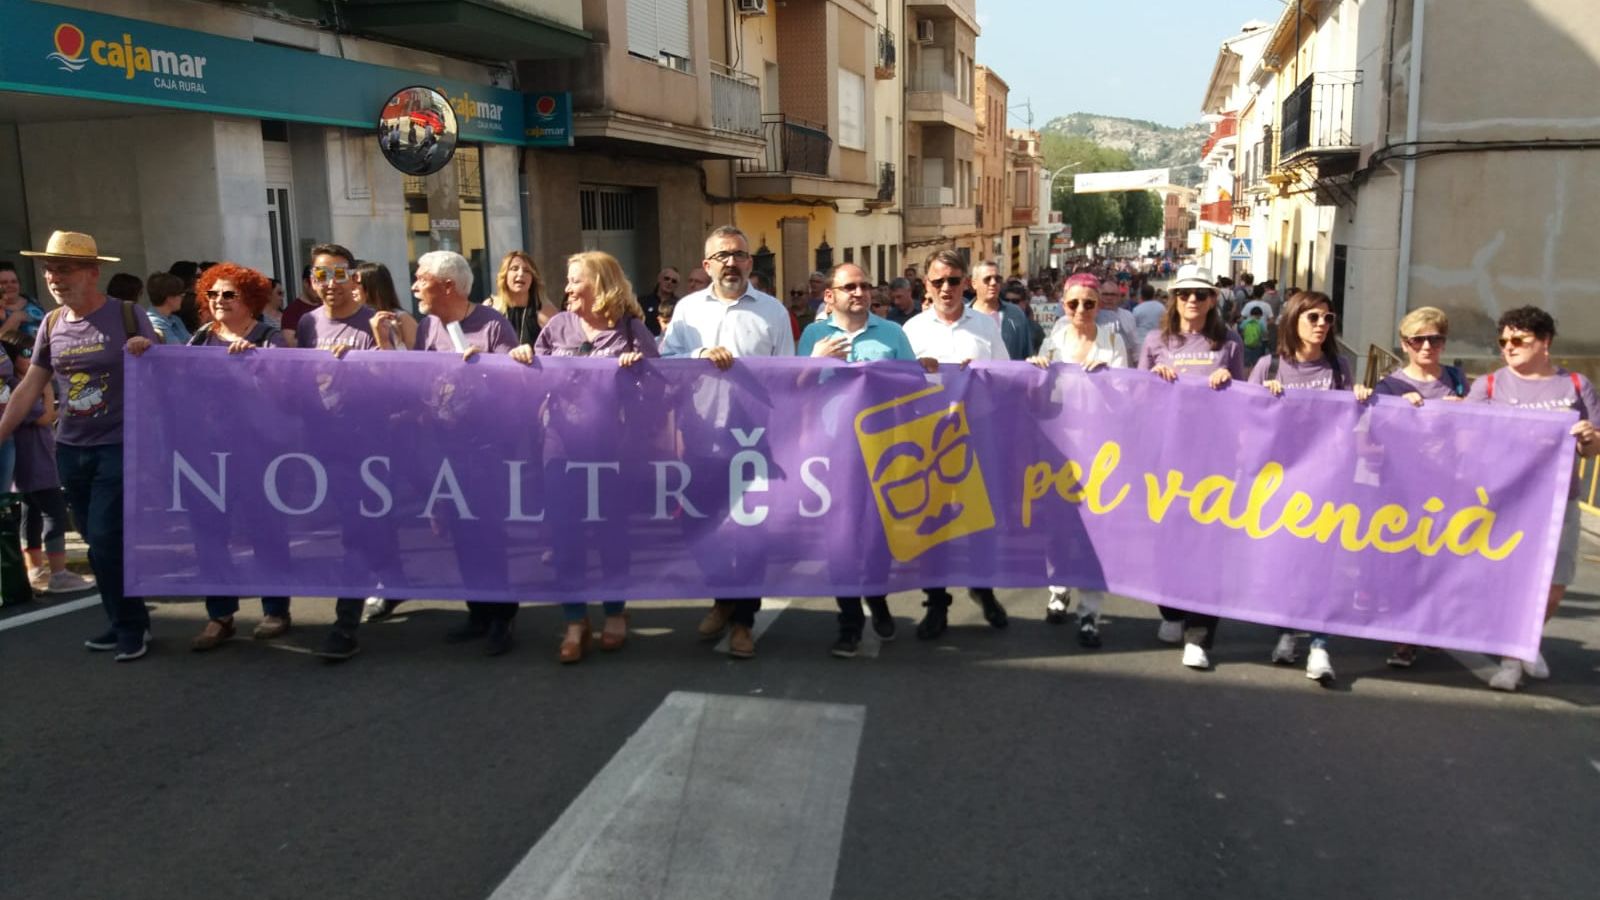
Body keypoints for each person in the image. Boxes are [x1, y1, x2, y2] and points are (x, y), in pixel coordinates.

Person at [0, 231, 157, 661]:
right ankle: (123, 619)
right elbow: (31, 384)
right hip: (70, 449)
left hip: (119, 445)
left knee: (105, 538)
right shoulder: (52, 323)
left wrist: (145, 348)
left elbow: (162, 369)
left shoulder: (127, 314)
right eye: (49, 269)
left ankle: (131, 627)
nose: (54, 277)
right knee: (96, 540)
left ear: (92, 272)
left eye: (64, 269)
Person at [513, 251, 657, 662]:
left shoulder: (631, 330)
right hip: (559, 447)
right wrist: (522, 359)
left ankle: (615, 611)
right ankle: (575, 620)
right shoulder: (557, 326)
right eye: (569, 280)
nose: (568, 288)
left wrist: (638, 372)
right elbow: (530, 383)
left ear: (601, 285)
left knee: (612, 533)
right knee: (565, 534)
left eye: (576, 280)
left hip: (615, 447)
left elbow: (662, 388)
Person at [661, 225, 795, 659]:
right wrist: (698, 356)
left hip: (755, 440)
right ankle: (723, 597)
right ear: (707, 265)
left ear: (750, 262)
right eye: (722, 256)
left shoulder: (773, 312)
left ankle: (743, 623)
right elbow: (666, 361)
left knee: (751, 534)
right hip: (701, 438)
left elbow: (787, 375)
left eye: (738, 255)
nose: (731, 263)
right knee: (696, 525)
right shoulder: (687, 310)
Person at [387, 250, 523, 655]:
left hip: (485, 448)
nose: (414, 286)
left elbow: (518, 384)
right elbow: (422, 381)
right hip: (441, 446)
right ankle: (477, 612)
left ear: (447, 285)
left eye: (421, 278)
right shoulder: (428, 326)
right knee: (459, 531)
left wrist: (483, 371)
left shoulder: (492, 325)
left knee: (487, 534)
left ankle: (502, 617)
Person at [1465, 305, 1598, 691]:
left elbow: (1592, 449)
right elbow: (1464, 438)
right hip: (1506, 501)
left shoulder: (1576, 385)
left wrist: (1589, 437)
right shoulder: (1489, 386)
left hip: (1560, 501)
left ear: (1545, 342)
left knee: (1555, 585)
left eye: (1518, 340)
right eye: (1503, 341)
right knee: (1510, 582)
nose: (1508, 347)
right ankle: (1512, 658)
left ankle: (1527, 640)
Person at [1248, 291, 1372, 685]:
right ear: (1293, 319)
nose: (1322, 324)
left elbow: (1353, 422)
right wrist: (1263, 402)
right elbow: (1246, 421)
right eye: (1313, 317)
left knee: (1325, 565)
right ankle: (1286, 631)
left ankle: (1320, 644)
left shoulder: (1339, 367)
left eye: (1328, 318)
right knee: (1287, 563)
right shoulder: (1269, 367)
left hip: (1329, 478)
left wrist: (1360, 399)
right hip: (1281, 482)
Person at [798, 263, 916, 658]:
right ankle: (849, 623)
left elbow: (913, 386)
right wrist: (814, 362)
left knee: (878, 539)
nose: (859, 292)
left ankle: (877, 599)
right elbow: (795, 390)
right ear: (829, 295)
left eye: (864, 286)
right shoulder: (814, 335)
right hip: (831, 454)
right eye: (850, 286)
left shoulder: (892, 333)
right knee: (840, 542)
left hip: (882, 453)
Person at [1138, 264, 1244, 670]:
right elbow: (1138, 398)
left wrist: (1228, 379)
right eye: (1185, 294)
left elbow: (1244, 399)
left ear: (1213, 299)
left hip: (1214, 460)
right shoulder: (1156, 341)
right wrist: (1154, 378)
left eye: (1201, 294)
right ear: (1174, 299)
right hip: (1166, 458)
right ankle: (1171, 610)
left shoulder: (1229, 342)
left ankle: (1200, 635)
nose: (1192, 301)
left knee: (1208, 545)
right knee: (1166, 540)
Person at [185, 263, 294, 651]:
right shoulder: (201, 338)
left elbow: (286, 389)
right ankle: (220, 615)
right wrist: (143, 349)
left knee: (266, 527)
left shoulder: (269, 338)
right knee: (209, 531)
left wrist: (256, 366)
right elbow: (176, 379)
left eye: (228, 294)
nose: (219, 300)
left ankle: (276, 609)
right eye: (212, 294)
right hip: (208, 450)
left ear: (250, 299)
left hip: (258, 449)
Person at [902, 249, 1010, 639]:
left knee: (981, 521)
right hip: (928, 441)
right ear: (926, 285)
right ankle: (936, 604)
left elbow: (1006, 376)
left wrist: (981, 375)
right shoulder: (911, 330)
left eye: (953, 280)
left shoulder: (985, 326)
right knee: (933, 526)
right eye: (938, 281)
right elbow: (896, 386)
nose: (946, 288)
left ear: (966, 282)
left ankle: (983, 588)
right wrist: (918, 371)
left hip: (977, 436)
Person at [295, 243, 387, 661]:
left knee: (356, 532)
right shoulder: (308, 324)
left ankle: (344, 627)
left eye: (338, 274)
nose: (329, 284)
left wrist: (360, 364)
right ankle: (389, 583)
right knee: (360, 530)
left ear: (354, 278)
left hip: (369, 446)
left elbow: (399, 381)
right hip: (322, 445)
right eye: (321, 275)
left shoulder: (375, 323)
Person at [1028, 273, 1127, 648]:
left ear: (1099, 305)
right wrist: (1036, 371)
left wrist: (1108, 379)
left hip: (1100, 450)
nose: (1081, 309)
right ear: (1063, 305)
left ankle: (1090, 612)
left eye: (1089, 303)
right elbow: (1038, 397)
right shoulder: (1053, 342)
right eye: (1073, 303)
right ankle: (1058, 590)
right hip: (1058, 448)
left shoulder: (1113, 341)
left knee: (1095, 532)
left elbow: (1128, 398)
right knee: (1057, 526)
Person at [1373, 306, 1467, 668]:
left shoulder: (1458, 379)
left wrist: (1466, 409)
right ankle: (1403, 638)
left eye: (1435, 339)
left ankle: (1432, 626)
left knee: (1442, 560)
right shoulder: (1390, 386)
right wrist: (1396, 410)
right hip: (1403, 486)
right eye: (1418, 340)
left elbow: (1481, 428)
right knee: (1406, 561)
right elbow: (1373, 437)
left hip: (1449, 483)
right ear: (1404, 344)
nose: (1427, 346)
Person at [487, 250, 559, 348]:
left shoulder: (546, 311)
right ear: (505, 275)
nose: (521, 274)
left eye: (527, 271)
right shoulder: (490, 308)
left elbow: (561, 348)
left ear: (532, 278)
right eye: (514, 269)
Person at [967, 260, 1031, 360]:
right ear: (974, 283)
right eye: (987, 279)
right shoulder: (963, 314)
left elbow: (1027, 353)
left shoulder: (1015, 314)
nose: (993, 283)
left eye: (997, 279)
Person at [353, 262, 417, 351]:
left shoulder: (401, 318)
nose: (352, 289)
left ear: (372, 286)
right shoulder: (355, 319)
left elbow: (416, 355)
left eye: (357, 284)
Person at [0, 262, 47, 363]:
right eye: (3, 282)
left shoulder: (31, 301)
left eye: (14, 281)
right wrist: (14, 319)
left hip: (46, 352)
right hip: (19, 362)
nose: (10, 285)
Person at [143, 271, 191, 345]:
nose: (182, 297)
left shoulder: (176, 319)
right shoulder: (152, 323)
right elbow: (176, 349)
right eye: (180, 294)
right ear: (170, 297)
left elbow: (191, 342)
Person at [279, 264, 320, 345]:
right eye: (316, 283)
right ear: (306, 283)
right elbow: (289, 342)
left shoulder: (327, 306)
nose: (319, 289)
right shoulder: (292, 311)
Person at [637, 267, 679, 336]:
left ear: (676, 286)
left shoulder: (679, 305)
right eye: (666, 278)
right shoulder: (643, 301)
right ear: (659, 279)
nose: (669, 282)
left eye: (674, 281)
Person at [1130, 282, 1165, 350]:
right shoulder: (1161, 307)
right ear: (1153, 294)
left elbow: (1133, 326)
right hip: (1158, 342)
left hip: (1141, 343)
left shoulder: (1137, 309)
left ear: (1141, 295)